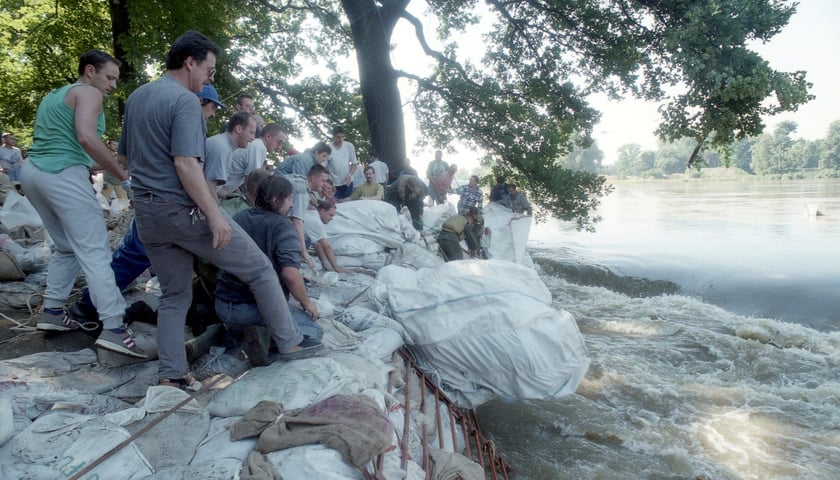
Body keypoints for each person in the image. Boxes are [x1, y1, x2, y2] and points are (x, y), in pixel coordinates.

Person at [121, 30, 314, 387]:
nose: (209, 79)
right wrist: (213, 214)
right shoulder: (185, 102)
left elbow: (123, 158)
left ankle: (171, 375)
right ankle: (291, 342)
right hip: (181, 210)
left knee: (175, 294)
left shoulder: (136, 98)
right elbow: (186, 164)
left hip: (146, 214)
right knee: (258, 269)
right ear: (190, 62)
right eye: (208, 70)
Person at [19, 50, 146, 358]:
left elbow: (66, 140)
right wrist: (122, 174)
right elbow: (87, 138)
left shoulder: (55, 95)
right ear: (90, 71)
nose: (113, 85)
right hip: (61, 174)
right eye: (109, 77)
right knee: (96, 250)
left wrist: (88, 165)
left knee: (65, 246)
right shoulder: (89, 93)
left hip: (35, 173)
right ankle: (114, 327)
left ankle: (51, 311)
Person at [70, 80, 229, 324]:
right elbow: (187, 168)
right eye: (212, 108)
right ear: (199, 102)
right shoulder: (185, 123)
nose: (213, 114)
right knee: (133, 256)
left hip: (155, 200)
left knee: (132, 256)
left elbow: (125, 155)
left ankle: (90, 305)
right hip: (164, 204)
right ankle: (88, 306)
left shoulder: (156, 114)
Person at [215, 175, 322, 366]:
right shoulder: (283, 227)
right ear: (275, 199)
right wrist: (307, 303)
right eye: (289, 199)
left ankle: (240, 335)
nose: (291, 205)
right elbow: (290, 275)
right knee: (313, 328)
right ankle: (267, 340)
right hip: (250, 308)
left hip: (223, 305)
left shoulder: (240, 217)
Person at [218, 123, 286, 197]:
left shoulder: (257, 145)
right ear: (268, 136)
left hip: (218, 190)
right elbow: (252, 182)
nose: (280, 147)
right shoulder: (258, 147)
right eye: (279, 142)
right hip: (215, 191)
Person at [284, 163, 329, 270]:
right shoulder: (302, 191)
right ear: (313, 178)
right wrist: (304, 251)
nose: (325, 184)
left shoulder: (301, 181)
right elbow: (297, 221)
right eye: (323, 181)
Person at [203, 111, 256, 195]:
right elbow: (208, 189)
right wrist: (217, 208)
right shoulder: (221, 147)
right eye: (251, 132)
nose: (253, 138)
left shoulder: (226, 147)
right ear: (239, 129)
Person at [305, 200, 351, 273]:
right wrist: (337, 268)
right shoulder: (316, 221)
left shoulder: (313, 215)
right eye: (330, 215)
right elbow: (327, 248)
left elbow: (317, 243)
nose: (331, 219)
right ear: (322, 211)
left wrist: (323, 262)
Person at [326, 125, 358, 200]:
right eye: (338, 137)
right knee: (335, 205)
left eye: (343, 137)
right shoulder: (328, 148)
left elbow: (354, 164)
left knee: (347, 205)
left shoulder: (349, 146)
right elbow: (324, 168)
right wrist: (329, 183)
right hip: (333, 184)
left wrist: (349, 175)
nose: (341, 139)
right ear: (333, 137)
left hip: (347, 183)